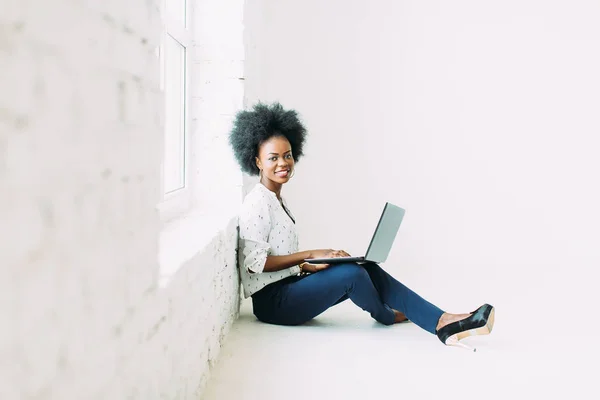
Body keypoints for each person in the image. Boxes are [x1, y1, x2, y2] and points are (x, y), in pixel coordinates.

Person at [229, 102, 494, 351]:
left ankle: (443, 320)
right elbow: (256, 264)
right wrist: (308, 255)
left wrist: (311, 265)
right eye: (273, 157)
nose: (283, 163)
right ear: (257, 161)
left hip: (289, 287)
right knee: (352, 276)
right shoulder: (256, 203)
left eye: (287, 155)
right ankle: (389, 315)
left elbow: (278, 261)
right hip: (273, 305)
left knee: (364, 267)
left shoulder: (277, 199)